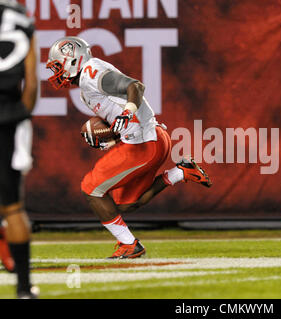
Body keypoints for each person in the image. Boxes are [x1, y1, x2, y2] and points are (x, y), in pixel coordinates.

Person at [46, 36, 212, 259]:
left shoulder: (91, 75)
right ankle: (181, 172)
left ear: (72, 60)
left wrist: (129, 111)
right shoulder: (86, 83)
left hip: (144, 145)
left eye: (58, 65)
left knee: (91, 187)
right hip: (150, 140)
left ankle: (129, 244)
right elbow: (119, 117)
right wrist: (112, 138)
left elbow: (135, 86)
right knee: (126, 204)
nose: (56, 72)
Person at [0, 0, 39, 298]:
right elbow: (31, 74)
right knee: (13, 207)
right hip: (7, 114)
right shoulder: (20, 19)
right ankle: (24, 289)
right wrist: (22, 111)